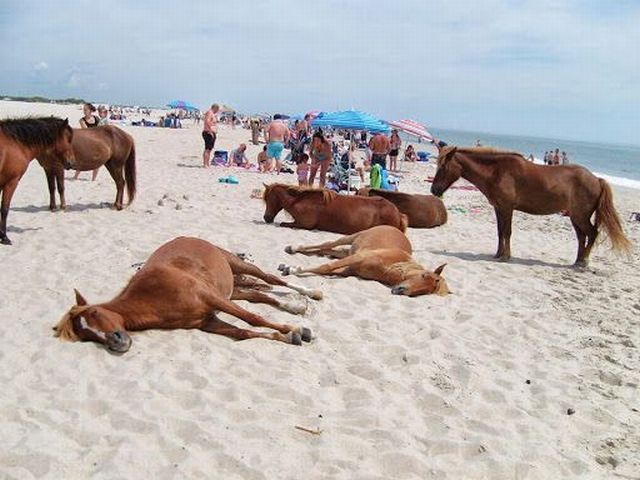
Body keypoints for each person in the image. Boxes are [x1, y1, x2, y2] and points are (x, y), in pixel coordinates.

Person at [74, 103, 100, 181]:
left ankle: (93, 179)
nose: (84, 111)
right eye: (83, 110)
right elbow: (86, 131)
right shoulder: (82, 120)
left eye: (86, 110)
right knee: (82, 159)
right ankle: (75, 176)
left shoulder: (96, 118)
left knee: (97, 161)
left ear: (90, 110)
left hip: (96, 142)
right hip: (86, 142)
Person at [202, 104, 220, 168]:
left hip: (211, 132)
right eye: (217, 110)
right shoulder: (209, 112)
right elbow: (207, 121)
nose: (217, 111)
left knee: (210, 149)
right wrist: (210, 131)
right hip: (208, 132)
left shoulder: (212, 113)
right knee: (207, 148)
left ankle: (207, 163)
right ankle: (205, 163)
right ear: (215, 108)